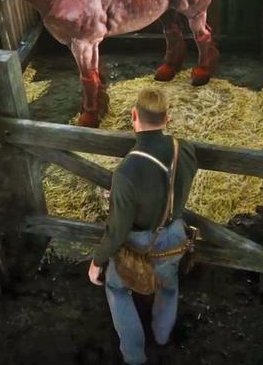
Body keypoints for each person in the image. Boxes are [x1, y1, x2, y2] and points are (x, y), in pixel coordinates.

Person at [88, 87, 198, 365]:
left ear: (133, 115)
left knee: (116, 288)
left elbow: (117, 230)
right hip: (175, 235)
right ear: (167, 118)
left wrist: (97, 260)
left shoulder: (126, 171)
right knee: (169, 285)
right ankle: (161, 336)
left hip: (140, 243)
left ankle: (135, 356)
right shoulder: (183, 149)